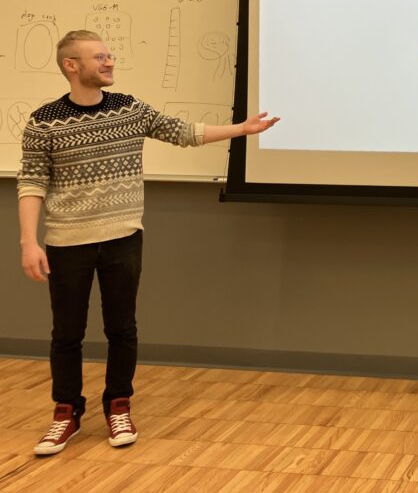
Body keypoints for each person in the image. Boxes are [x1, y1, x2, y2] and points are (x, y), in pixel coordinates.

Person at [17, 30, 279, 455]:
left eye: (110, 55)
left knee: (123, 328)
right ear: (71, 65)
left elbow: (183, 132)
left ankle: (118, 405)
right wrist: (29, 242)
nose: (109, 62)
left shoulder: (129, 109)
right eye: (99, 57)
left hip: (123, 238)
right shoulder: (44, 121)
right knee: (67, 333)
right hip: (68, 242)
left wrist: (243, 129)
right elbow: (31, 183)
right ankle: (65, 412)